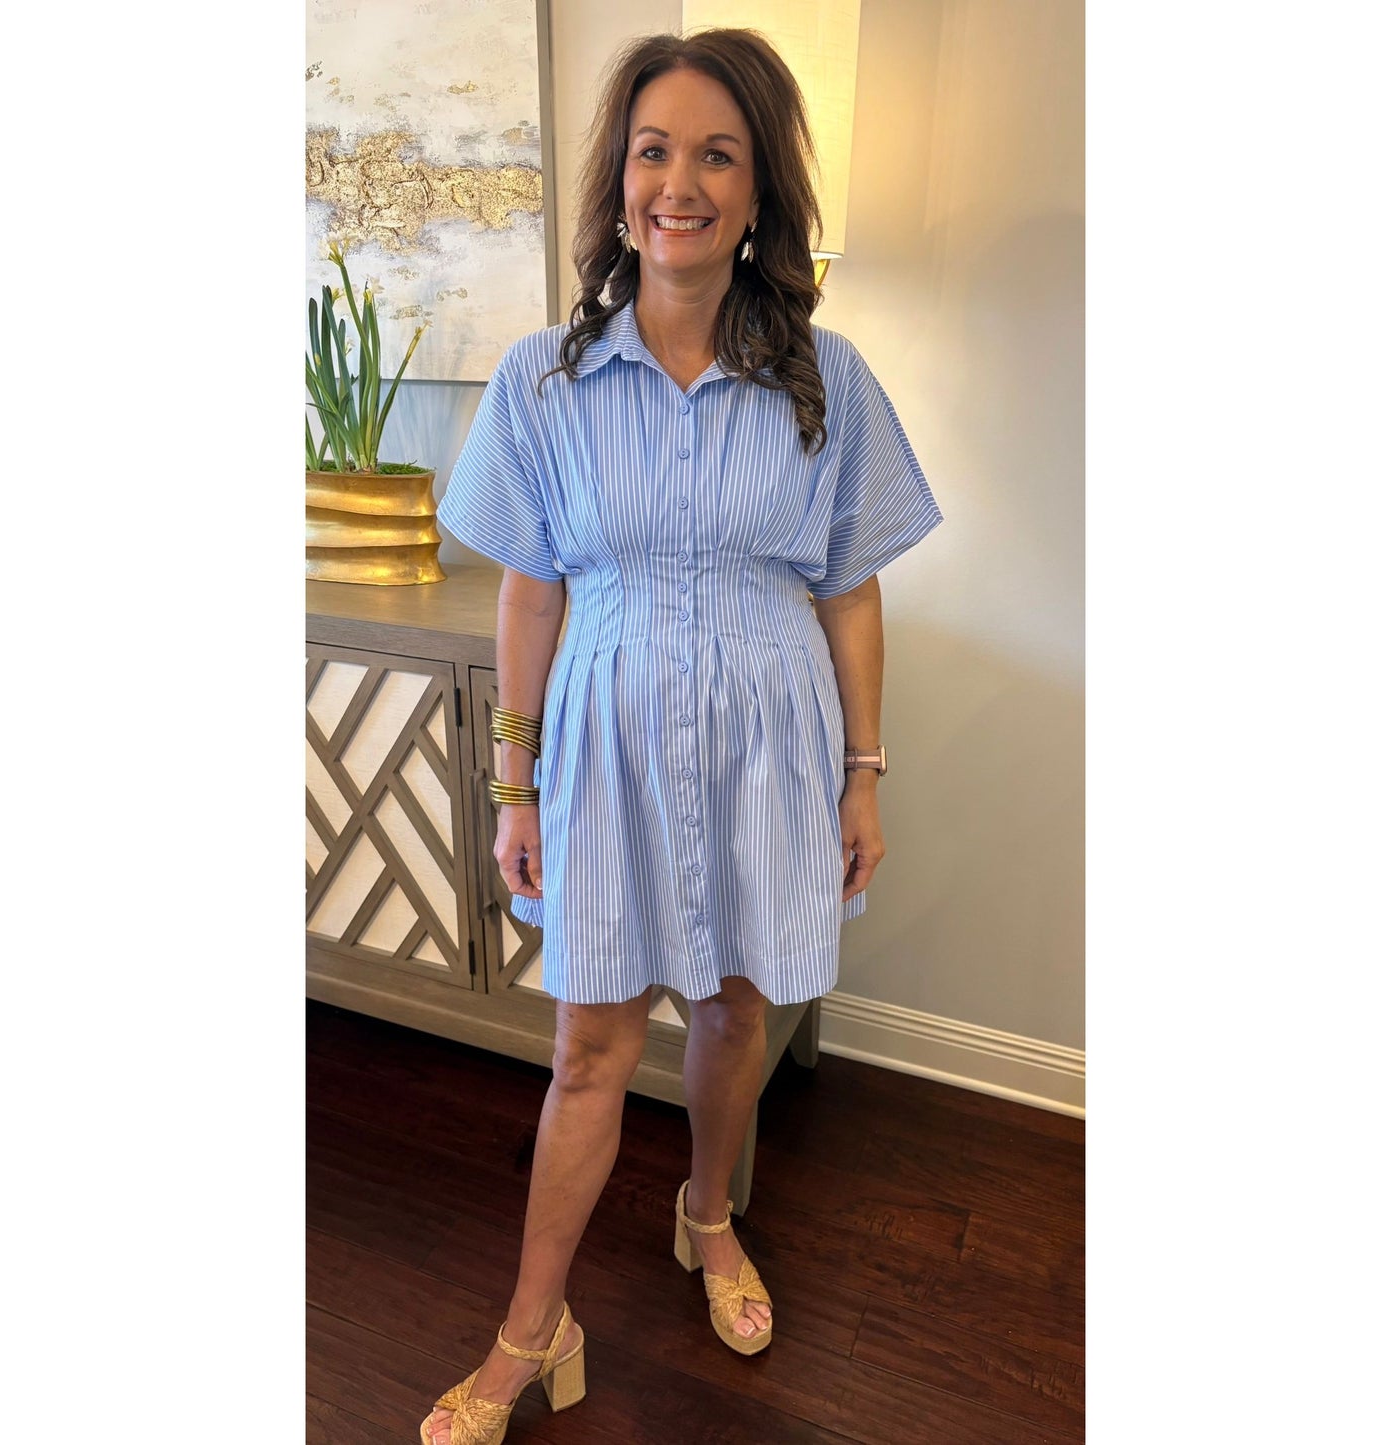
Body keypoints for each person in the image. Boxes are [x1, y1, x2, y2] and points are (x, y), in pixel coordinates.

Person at [422, 26, 943, 1445]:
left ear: (758, 190)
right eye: (655, 149)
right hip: (605, 745)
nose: (682, 181)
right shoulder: (544, 379)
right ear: (620, 181)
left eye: (718, 152)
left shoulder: (820, 380)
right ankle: (535, 1326)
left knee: (735, 1007)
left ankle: (706, 1217)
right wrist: (511, 778)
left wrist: (863, 770)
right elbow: (531, 592)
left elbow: (849, 590)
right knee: (589, 1046)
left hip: (772, 745)